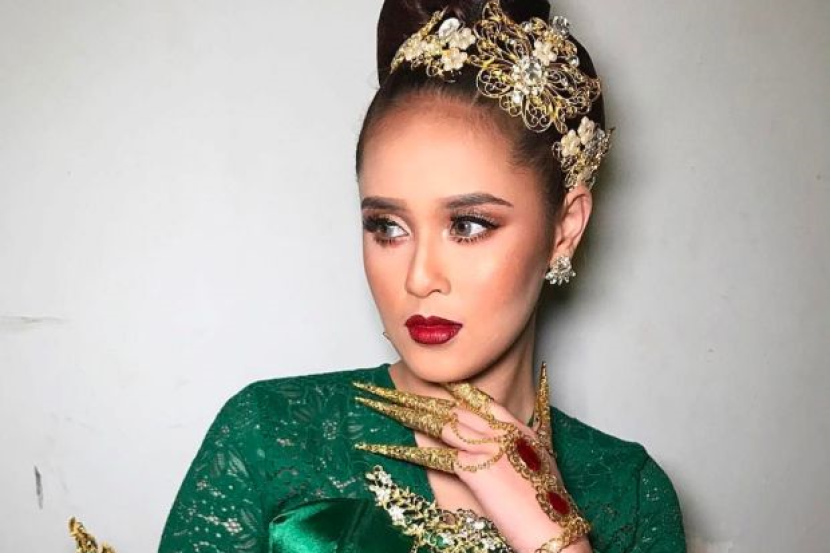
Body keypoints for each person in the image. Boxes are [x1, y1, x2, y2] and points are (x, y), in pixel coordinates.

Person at [158, 1, 687, 552]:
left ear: (565, 228)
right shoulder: (269, 433)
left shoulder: (630, 492)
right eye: (387, 227)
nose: (419, 277)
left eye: (468, 225)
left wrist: (553, 533)